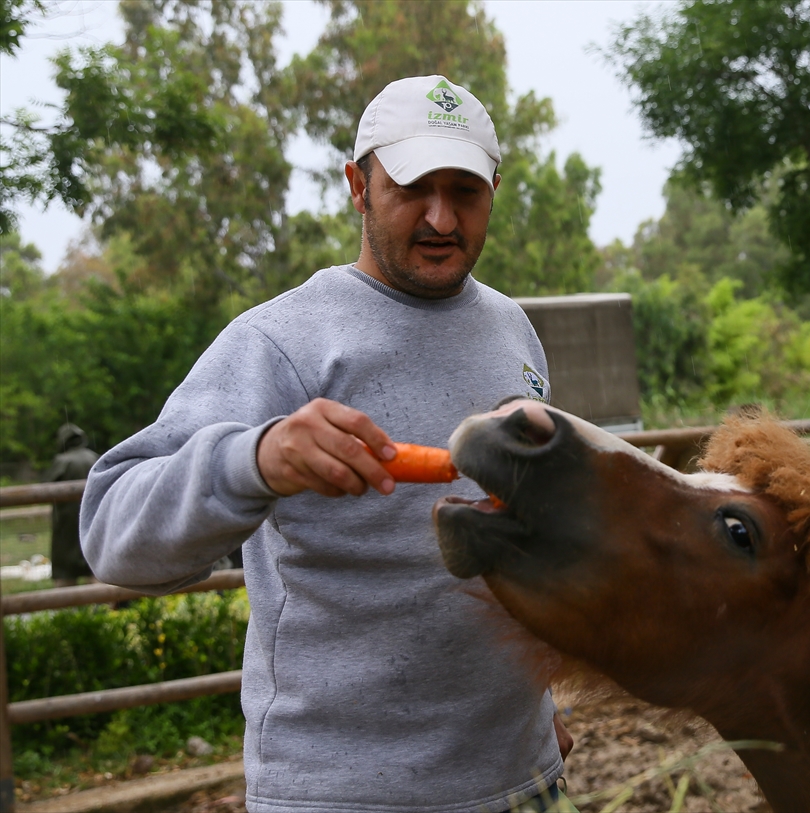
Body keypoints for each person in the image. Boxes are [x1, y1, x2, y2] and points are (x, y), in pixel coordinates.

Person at [82, 75, 573, 813]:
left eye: (465, 190)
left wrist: (545, 708)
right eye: (413, 187)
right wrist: (255, 460)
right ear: (358, 185)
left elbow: (531, 538)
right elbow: (112, 534)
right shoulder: (279, 342)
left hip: (525, 783)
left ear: (495, 189)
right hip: (343, 794)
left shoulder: (514, 330)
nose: (441, 216)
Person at [49, 423, 99, 587]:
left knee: (65, 572)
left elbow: (46, 487)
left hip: (66, 524)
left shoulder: (62, 461)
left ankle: (66, 611)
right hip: (94, 519)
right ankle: (104, 609)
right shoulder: (95, 457)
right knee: (95, 567)